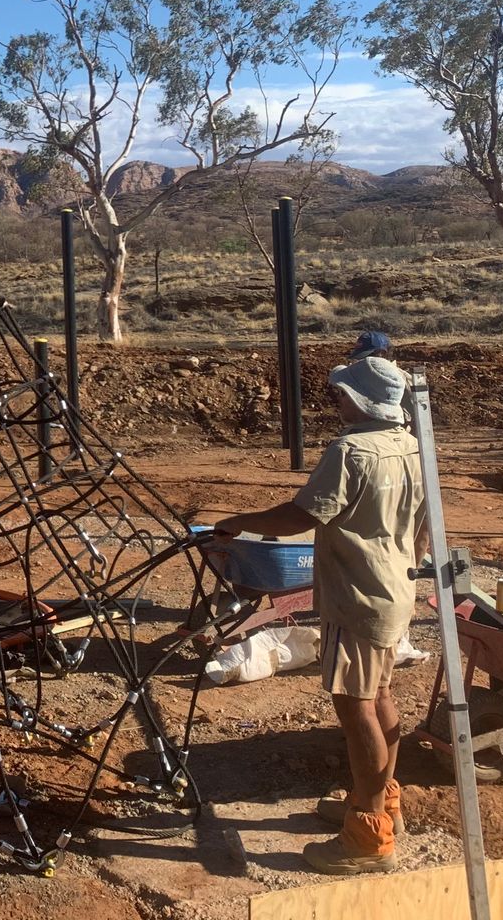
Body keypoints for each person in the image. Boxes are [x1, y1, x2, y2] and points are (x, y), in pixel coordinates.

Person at [209, 334, 424, 875]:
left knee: (357, 712)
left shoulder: (351, 451)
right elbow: (424, 525)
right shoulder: (414, 445)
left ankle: (367, 834)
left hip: (357, 597)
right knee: (380, 695)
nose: (337, 402)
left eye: (343, 394)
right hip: (393, 591)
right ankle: (379, 801)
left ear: (363, 400)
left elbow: (301, 516)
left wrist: (238, 523)